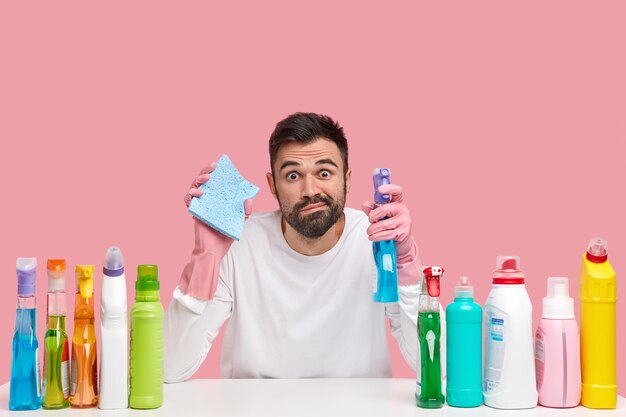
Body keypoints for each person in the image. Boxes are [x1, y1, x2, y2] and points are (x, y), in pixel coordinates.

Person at [164, 112, 437, 381]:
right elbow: (168, 368)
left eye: (324, 172)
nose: (310, 189)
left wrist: (406, 264)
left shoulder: (375, 242)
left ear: (347, 179)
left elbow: (435, 366)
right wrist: (206, 257)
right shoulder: (238, 243)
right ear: (273, 185)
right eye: (293, 176)